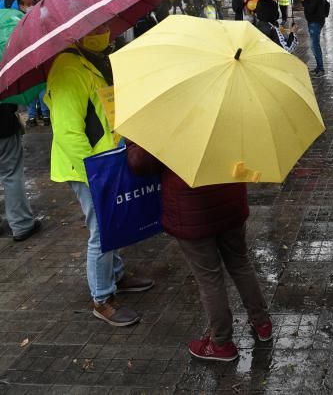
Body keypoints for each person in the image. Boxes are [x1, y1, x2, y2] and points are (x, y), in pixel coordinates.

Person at [45, 25, 154, 327]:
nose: (105, 31)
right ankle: (102, 298)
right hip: (90, 167)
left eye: (107, 25)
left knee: (113, 222)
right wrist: (96, 175)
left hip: (108, 158)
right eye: (98, 27)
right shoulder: (68, 68)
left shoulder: (94, 58)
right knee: (102, 232)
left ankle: (115, 275)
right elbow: (68, 132)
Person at [127, 141, 272, 362]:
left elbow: (140, 164)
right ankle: (262, 322)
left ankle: (221, 343)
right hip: (230, 197)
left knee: (209, 278)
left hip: (193, 209)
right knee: (240, 262)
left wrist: (133, 141)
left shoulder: (166, 118)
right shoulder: (225, 108)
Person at [0, 103, 41, 241]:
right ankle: (21, 224)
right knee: (11, 176)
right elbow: (9, 99)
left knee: (10, 175)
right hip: (3, 127)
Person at [299, 0, 327, 77]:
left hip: (315, 22)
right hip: (315, 22)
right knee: (314, 46)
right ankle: (318, 67)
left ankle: (321, 69)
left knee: (315, 46)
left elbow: (310, 8)